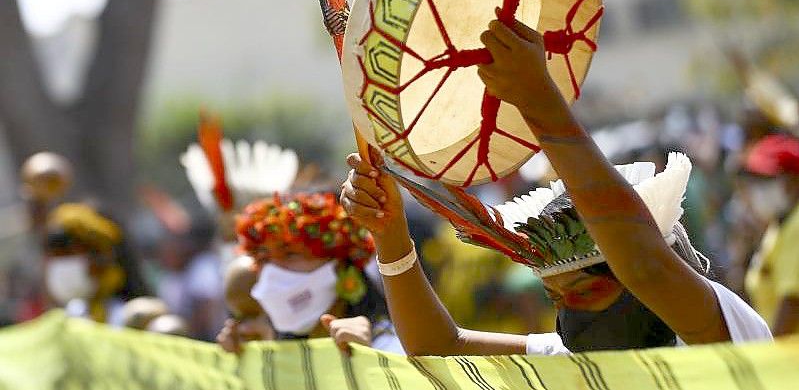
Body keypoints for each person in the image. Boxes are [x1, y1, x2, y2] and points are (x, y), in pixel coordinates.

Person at [340, 18, 771, 355]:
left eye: (584, 291)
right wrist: (390, 234)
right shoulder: (573, 357)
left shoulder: (729, 331)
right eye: (555, 297)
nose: (568, 319)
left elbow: (645, 269)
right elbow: (439, 348)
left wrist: (537, 98)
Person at [231, 192, 404, 354]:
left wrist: (370, 362)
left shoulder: (389, 346)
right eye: (263, 259)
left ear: (339, 264)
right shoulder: (270, 351)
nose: (272, 273)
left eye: (291, 254)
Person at [744, 134, 799, 336]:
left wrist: (769, 361)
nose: (759, 190)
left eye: (766, 181)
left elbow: (792, 302)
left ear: (793, 180)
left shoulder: (796, 226)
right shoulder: (779, 225)